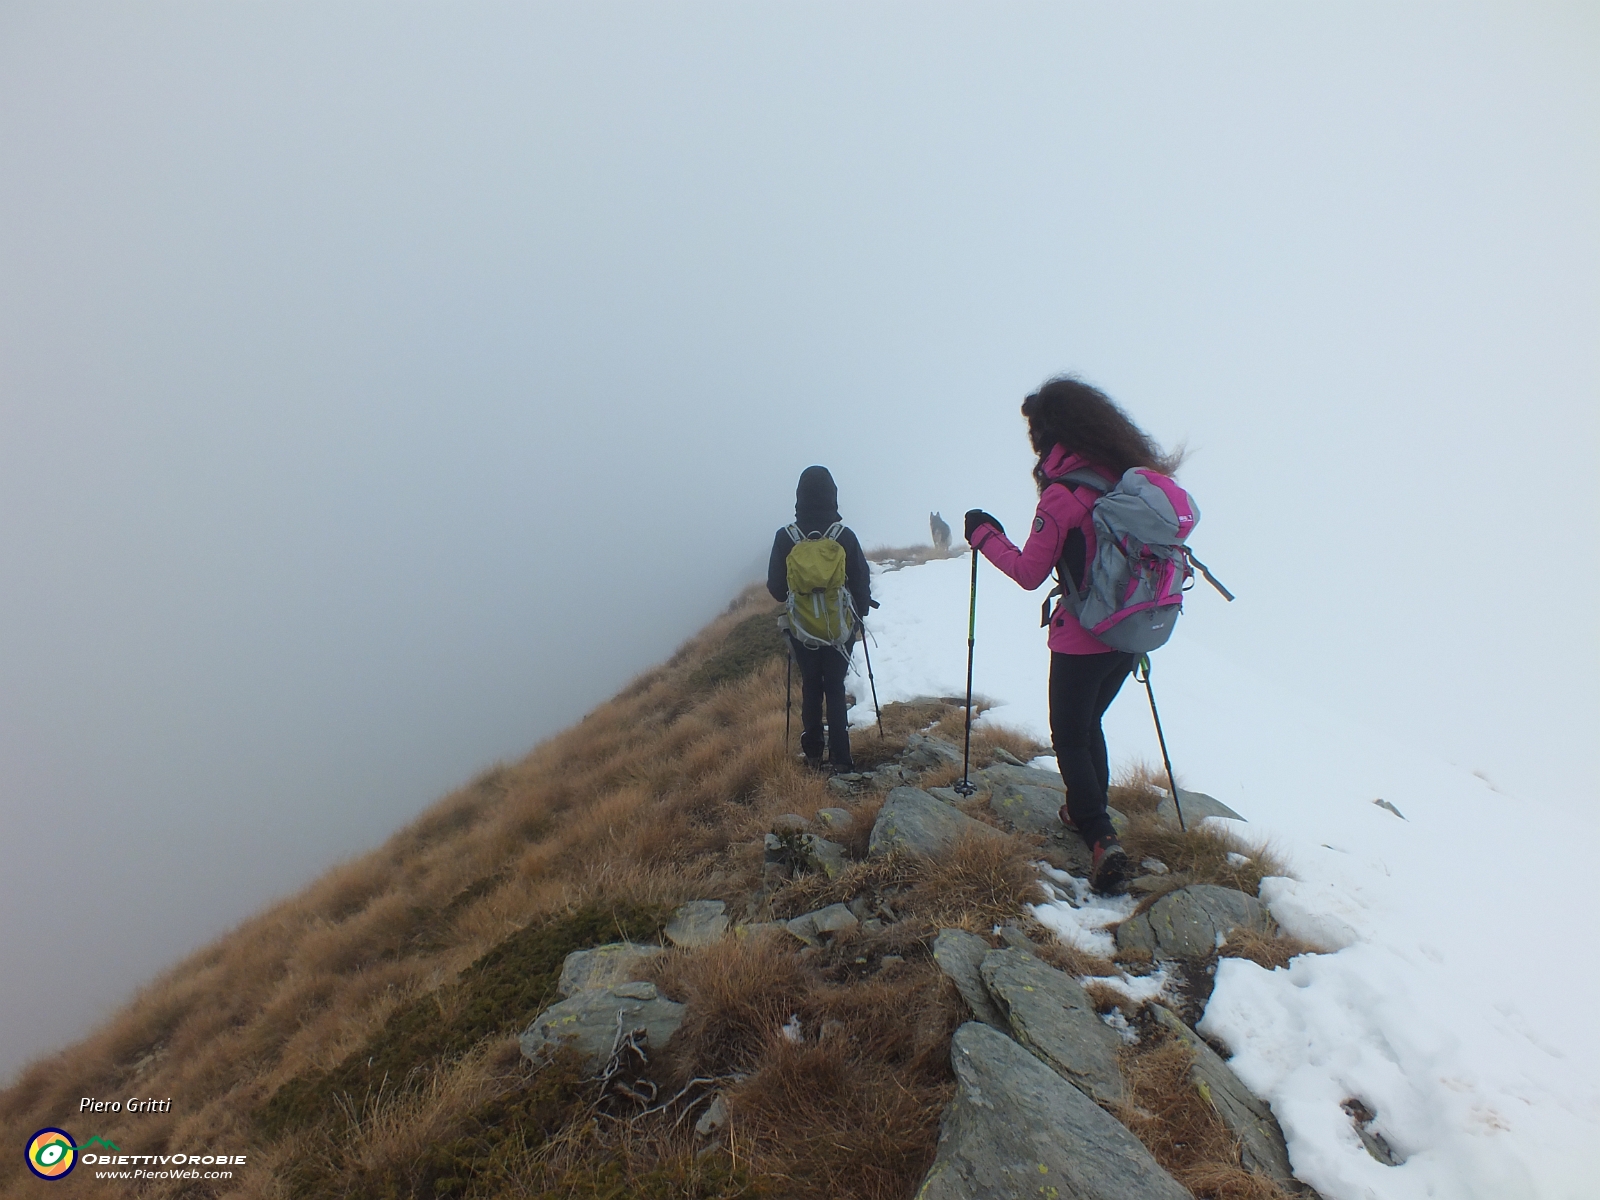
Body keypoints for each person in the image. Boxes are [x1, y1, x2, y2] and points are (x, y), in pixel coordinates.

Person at [964, 376, 1184, 893]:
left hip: (1083, 636)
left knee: (1068, 733)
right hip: (1130, 634)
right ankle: (1088, 811)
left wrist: (983, 535)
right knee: (1089, 726)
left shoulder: (1064, 496)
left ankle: (1101, 836)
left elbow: (1027, 572)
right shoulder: (1129, 477)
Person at [767, 466, 873, 772]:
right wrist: (860, 616)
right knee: (835, 687)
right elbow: (861, 581)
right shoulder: (844, 536)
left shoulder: (786, 538)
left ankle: (812, 753)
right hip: (840, 628)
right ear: (833, 496)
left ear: (799, 497)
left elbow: (776, 588)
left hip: (802, 630)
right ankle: (842, 758)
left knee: (811, 685)